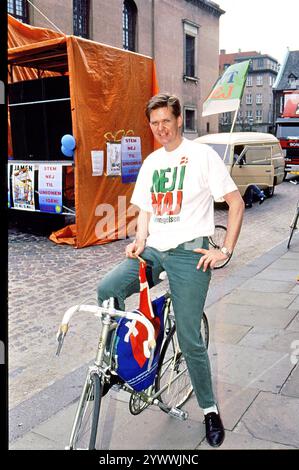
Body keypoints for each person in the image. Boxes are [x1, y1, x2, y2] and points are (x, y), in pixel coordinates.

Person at [97, 93, 245, 448]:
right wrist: (138, 240)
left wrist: (224, 250)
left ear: (179, 120)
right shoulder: (150, 163)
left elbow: (236, 202)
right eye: (155, 122)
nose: (161, 128)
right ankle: (118, 362)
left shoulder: (202, 156)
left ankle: (209, 409)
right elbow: (145, 211)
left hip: (189, 255)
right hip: (153, 252)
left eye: (166, 120)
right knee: (107, 290)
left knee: (191, 337)